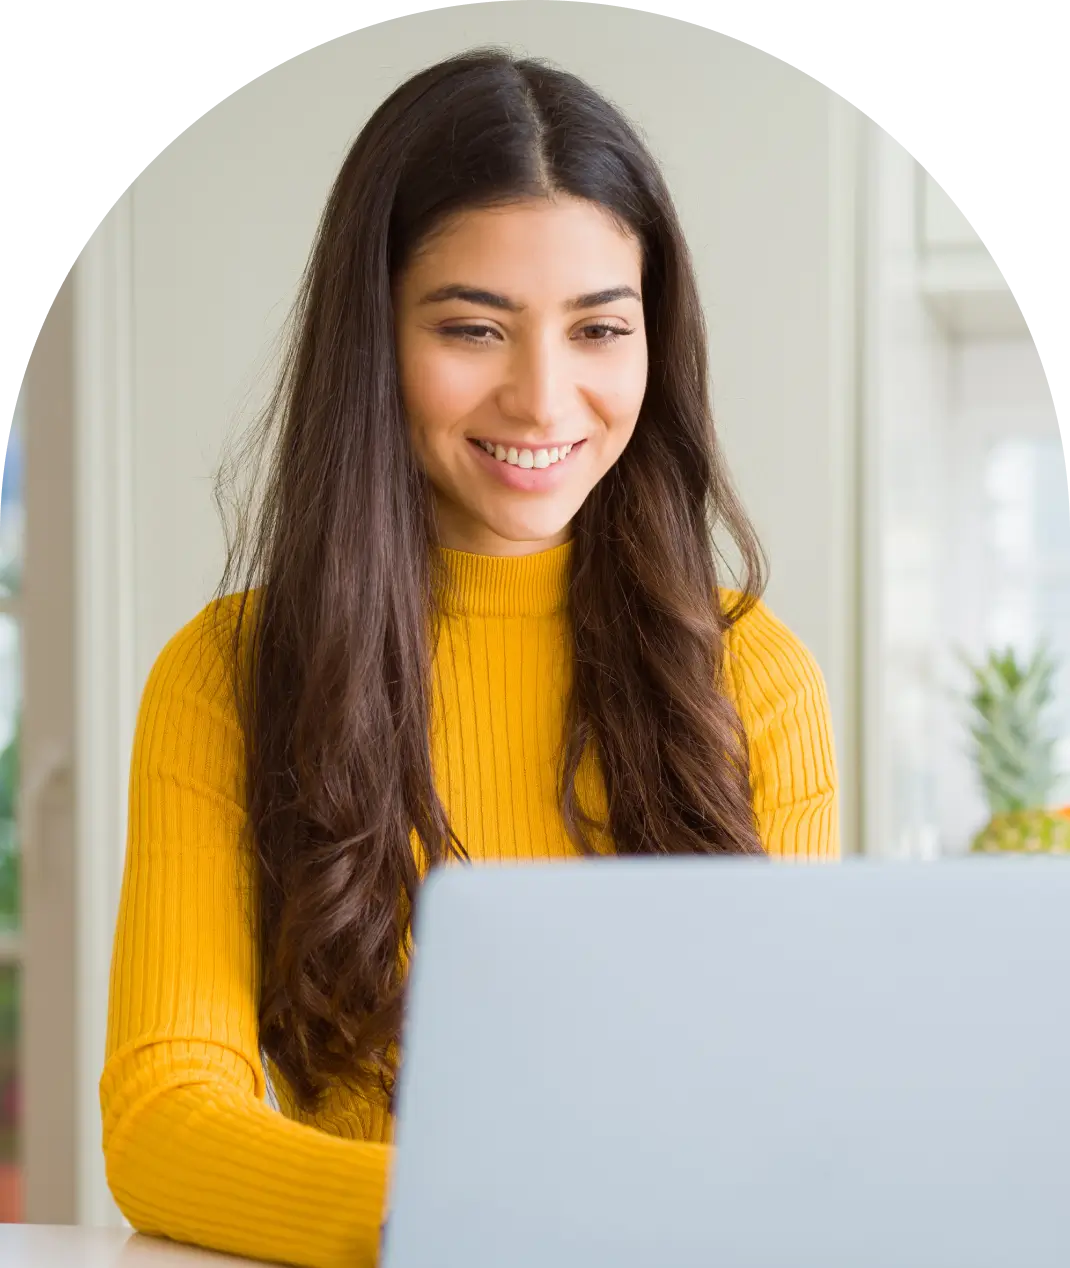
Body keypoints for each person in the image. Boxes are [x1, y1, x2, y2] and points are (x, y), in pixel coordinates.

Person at [100, 46, 839, 1268]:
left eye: (599, 327)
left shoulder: (752, 673)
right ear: (372, 336)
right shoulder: (226, 673)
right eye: (472, 327)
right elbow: (166, 1119)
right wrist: (474, 1218)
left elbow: (790, 1119)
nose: (544, 400)